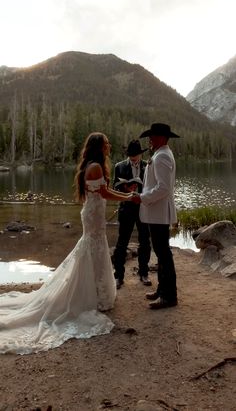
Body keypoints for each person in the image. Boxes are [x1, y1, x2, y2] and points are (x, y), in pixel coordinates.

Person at [0, 132, 133, 355]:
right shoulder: (96, 167)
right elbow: (105, 193)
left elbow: (102, 192)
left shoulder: (91, 165)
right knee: (93, 247)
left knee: (93, 248)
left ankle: (96, 292)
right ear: (99, 146)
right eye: (106, 143)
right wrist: (128, 197)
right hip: (93, 213)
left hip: (92, 212)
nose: (109, 146)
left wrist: (121, 194)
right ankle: (92, 295)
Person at [132, 123, 180, 309]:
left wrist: (142, 197)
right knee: (161, 253)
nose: (149, 140)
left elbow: (163, 188)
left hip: (159, 214)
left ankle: (169, 296)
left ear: (161, 138)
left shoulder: (162, 157)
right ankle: (162, 290)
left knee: (164, 254)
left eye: (152, 137)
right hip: (157, 213)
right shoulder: (161, 154)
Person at [112, 139, 152, 289]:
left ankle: (144, 273)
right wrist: (126, 188)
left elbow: (152, 187)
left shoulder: (148, 166)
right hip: (126, 208)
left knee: (145, 242)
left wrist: (142, 192)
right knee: (122, 243)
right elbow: (114, 187)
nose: (133, 157)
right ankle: (119, 276)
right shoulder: (119, 166)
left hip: (143, 208)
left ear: (140, 155)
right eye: (130, 155)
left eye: (135, 155)